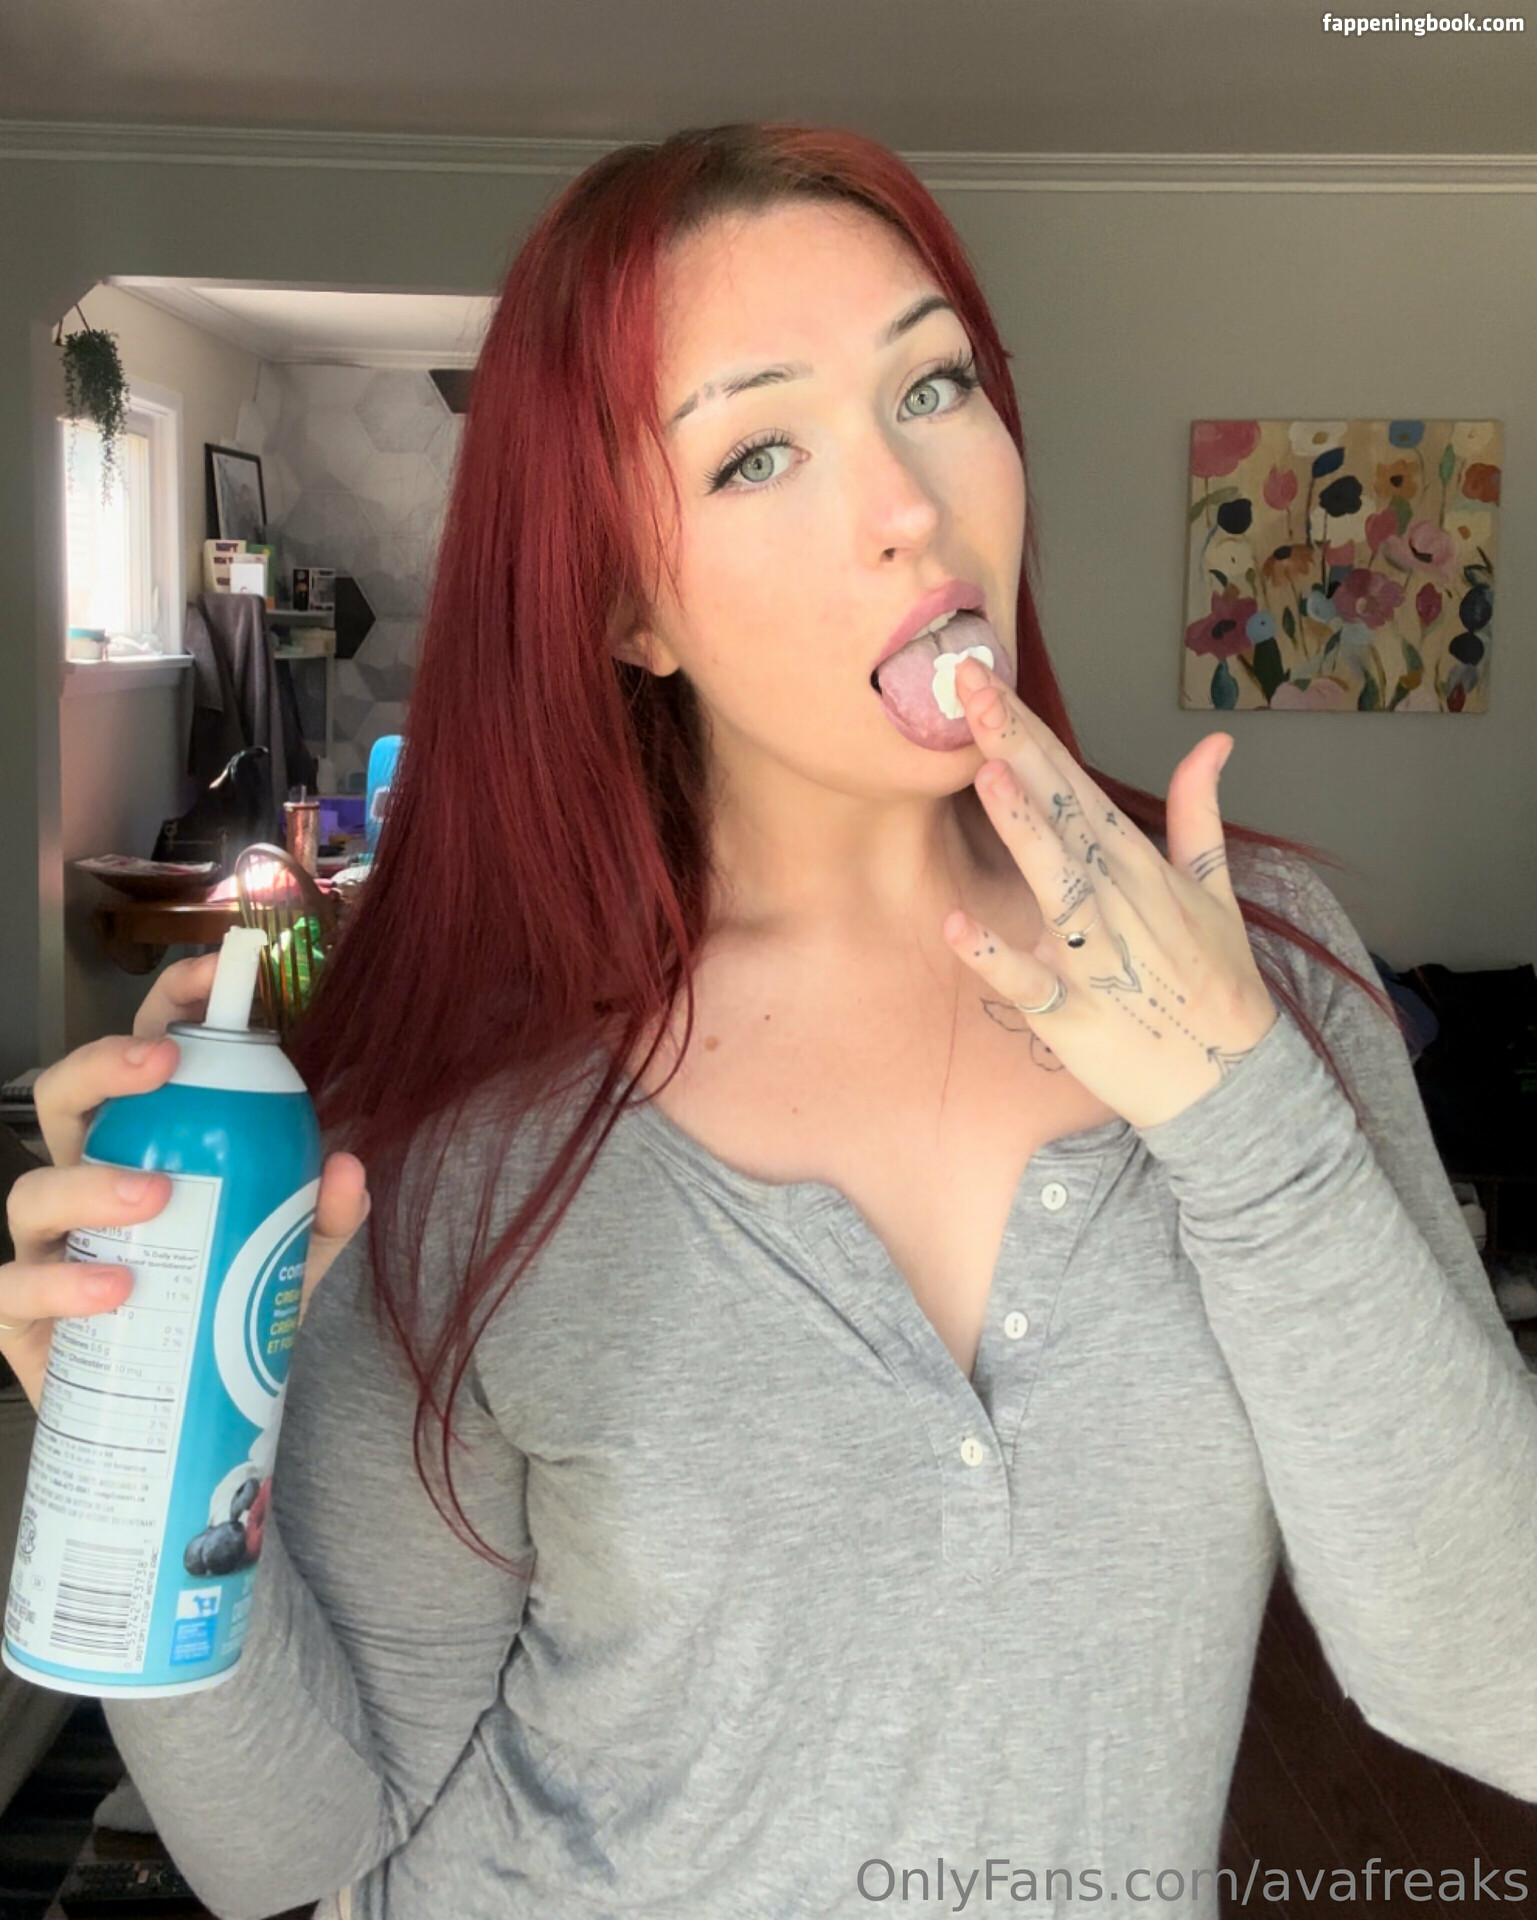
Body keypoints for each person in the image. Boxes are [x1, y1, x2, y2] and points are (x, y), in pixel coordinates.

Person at [5, 123, 1535, 1920]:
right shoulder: (474, 1115)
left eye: (933, 384)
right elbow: (291, 1850)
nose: (909, 503)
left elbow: (1496, 1683)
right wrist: (134, 1462)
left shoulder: (1251, 963)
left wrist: (1245, 1121)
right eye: (755, 452)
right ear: (624, 605)